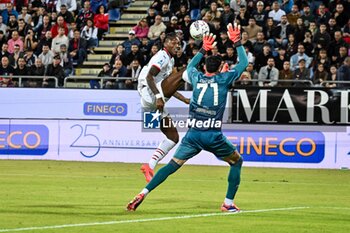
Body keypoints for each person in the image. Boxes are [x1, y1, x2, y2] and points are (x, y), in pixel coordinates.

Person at [127, 23, 248, 212]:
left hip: (192, 136)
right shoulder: (224, 80)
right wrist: (237, 42)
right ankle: (228, 204)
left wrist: (203, 49)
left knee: (171, 166)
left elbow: (190, 66)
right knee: (236, 161)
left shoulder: (196, 77)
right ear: (221, 69)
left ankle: (143, 192)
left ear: (204, 68)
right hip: (212, 135)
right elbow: (243, 64)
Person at [138, 32, 190, 183]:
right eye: (174, 42)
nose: (177, 45)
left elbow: (167, 85)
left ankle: (149, 165)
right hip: (149, 94)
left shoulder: (170, 59)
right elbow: (149, 77)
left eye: (179, 43)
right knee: (184, 73)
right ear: (166, 43)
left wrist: (184, 99)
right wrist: (159, 97)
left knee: (173, 137)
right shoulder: (161, 56)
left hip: (154, 100)